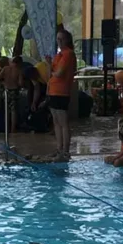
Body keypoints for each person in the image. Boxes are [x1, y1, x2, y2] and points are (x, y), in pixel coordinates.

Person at [46, 29, 77, 162]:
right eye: (57, 39)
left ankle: (66, 150)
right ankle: (59, 148)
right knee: (56, 121)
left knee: (63, 121)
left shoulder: (68, 54)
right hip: (53, 90)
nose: (59, 42)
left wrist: (49, 66)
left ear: (67, 40)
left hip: (62, 91)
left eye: (61, 39)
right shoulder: (59, 55)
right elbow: (50, 73)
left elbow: (59, 73)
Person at [0, 55, 23, 134]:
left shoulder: (5, 69)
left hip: (5, 91)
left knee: (6, 110)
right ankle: (13, 129)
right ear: (19, 63)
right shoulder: (18, 70)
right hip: (14, 91)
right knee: (13, 111)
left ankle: (6, 128)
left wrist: (3, 83)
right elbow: (20, 83)